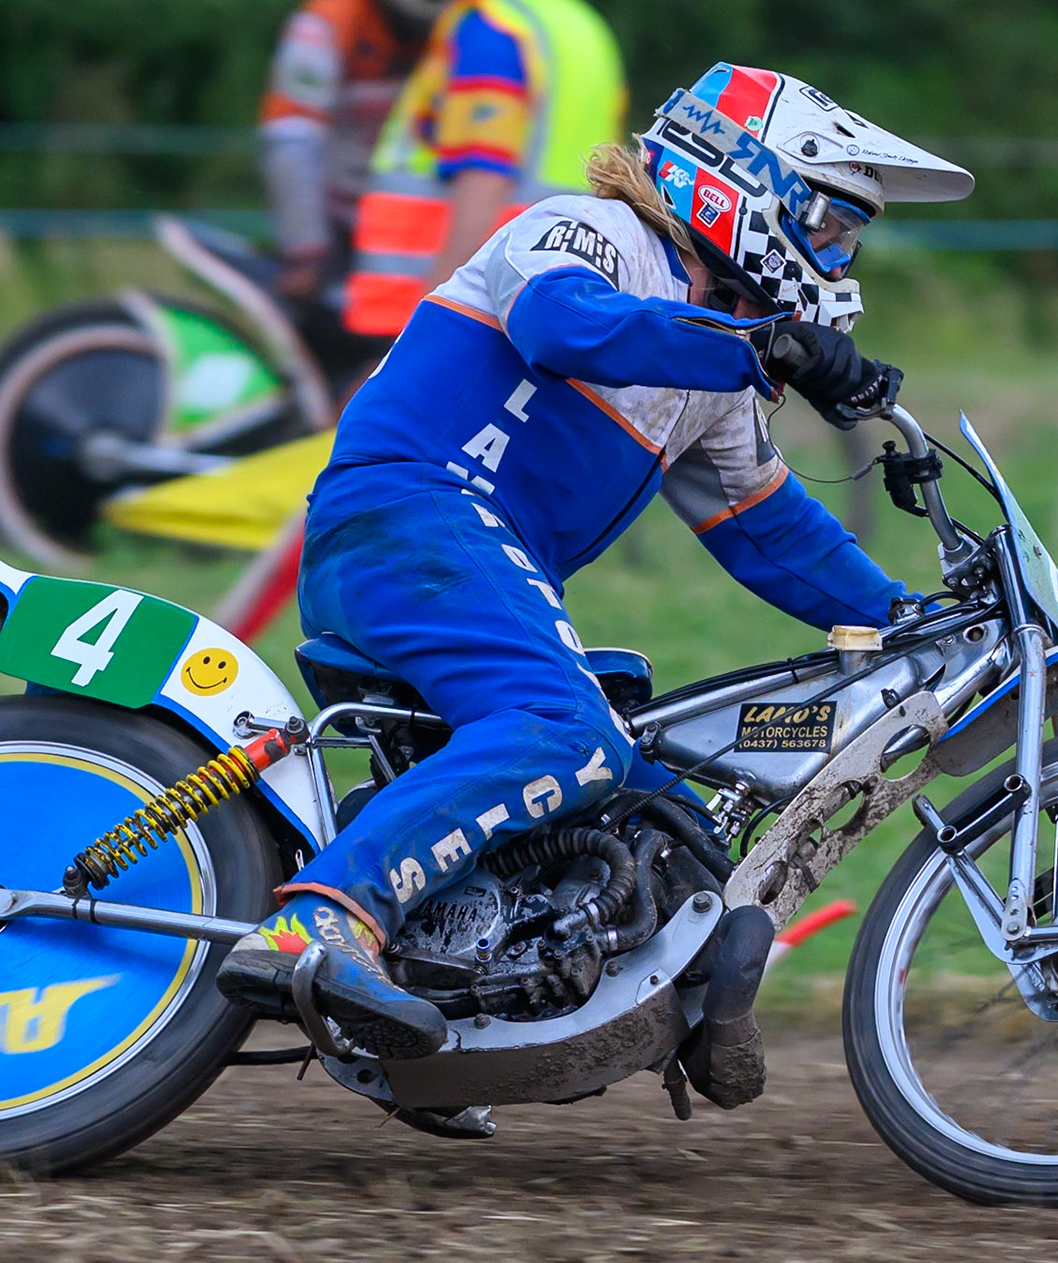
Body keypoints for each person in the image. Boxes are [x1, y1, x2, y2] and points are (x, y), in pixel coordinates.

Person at [217, 64, 974, 1058]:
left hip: (470, 556)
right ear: (740, 180)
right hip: (411, 515)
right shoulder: (593, 232)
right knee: (563, 729)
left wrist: (916, 619)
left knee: (672, 802)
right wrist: (764, 344)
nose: (839, 254)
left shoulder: (714, 369)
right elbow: (563, 325)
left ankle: (638, 1009)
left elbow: (768, 530)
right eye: (830, 223)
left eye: (850, 236)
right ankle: (320, 919)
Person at [340, 0, 627, 337]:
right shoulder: (576, 23)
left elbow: (484, 176)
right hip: (542, 291)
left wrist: (432, 313)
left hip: (459, 299)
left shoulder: (491, 29)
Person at [257, 0, 444, 366]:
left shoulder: (470, 23)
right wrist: (306, 247)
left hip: (417, 232)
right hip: (338, 224)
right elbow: (291, 135)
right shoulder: (329, 22)